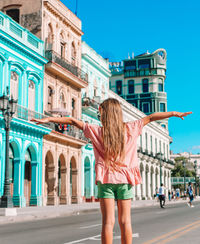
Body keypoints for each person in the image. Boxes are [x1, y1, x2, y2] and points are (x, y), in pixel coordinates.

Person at [31, 98, 192, 244]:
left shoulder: (97, 131)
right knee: (125, 221)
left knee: (108, 222)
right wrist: (173, 113)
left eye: (100, 112)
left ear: (104, 114)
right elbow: (151, 117)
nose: (99, 115)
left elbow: (73, 120)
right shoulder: (131, 128)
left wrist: (49, 119)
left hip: (106, 180)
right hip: (125, 181)